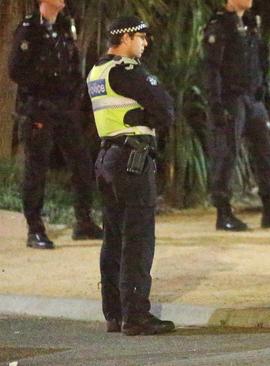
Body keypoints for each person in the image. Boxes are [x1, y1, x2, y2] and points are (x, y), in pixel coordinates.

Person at [88, 16, 175, 335]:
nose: (145, 42)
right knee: (138, 238)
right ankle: (136, 315)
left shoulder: (97, 71)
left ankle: (114, 312)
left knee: (113, 237)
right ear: (124, 38)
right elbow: (165, 109)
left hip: (107, 158)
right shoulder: (127, 70)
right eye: (141, 37)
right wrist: (144, 116)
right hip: (132, 159)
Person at [8, 0, 102, 249]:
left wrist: (73, 95)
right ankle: (35, 228)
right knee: (36, 168)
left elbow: (71, 65)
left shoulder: (64, 26)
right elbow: (16, 70)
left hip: (64, 109)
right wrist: (44, 86)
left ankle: (83, 221)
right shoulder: (30, 29)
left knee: (81, 162)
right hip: (38, 108)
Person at [203, 0, 270, 231]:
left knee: (267, 151)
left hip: (253, 98)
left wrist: (266, 96)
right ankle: (224, 212)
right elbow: (211, 69)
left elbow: (261, 63)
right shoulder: (220, 26)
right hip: (231, 98)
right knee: (226, 154)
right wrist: (216, 104)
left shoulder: (250, 23)